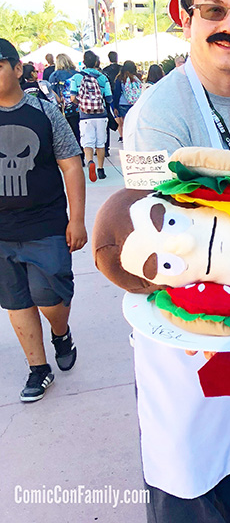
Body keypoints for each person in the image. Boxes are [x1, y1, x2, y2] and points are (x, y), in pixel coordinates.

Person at [123, 0, 230, 523]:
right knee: (186, 486)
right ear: (184, 17)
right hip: (183, 331)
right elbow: (149, 231)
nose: (228, 26)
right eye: (213, 10)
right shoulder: (155, 113)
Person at [0, 38, 86, 402]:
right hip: (2, 232)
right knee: (16, 302)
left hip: (46, 225)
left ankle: (61, 332)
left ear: (17, 69)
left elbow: (70, 164)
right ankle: (38, 369)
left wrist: (77, 219)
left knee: (49, 295)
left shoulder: (44, 111)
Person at [70, 50, 113, 182]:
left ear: (83, 62)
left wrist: (81, 104)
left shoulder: (76, 78)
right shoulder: (103, 77)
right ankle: (100, 169)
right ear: (96, 62)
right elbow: (109, 98)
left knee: (87, 143)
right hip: (101, 114)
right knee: (100, 143)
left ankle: (90, 162)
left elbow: (72, 98)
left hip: (85, 116)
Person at [49, 53, 80, 149]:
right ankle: (81, 154)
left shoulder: (54, 75)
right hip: (77, 106)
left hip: (63, 108)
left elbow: (51, 91)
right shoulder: (76, 74)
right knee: (78, 131)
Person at [113, 60, 142, 141]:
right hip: (135, 103)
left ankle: (127, 138)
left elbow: (117, 93)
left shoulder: (121, 78)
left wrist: (115, 107)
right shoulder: (137, 78)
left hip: (123, 104)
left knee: (125, 123)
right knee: (133, 123)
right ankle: (134, 138)